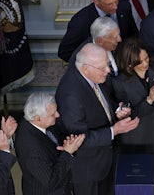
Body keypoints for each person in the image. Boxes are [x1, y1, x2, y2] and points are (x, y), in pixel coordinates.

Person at [55, 43, 139, 195]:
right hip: (87, 170)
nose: (108, 70)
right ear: (86, 68)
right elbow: (79, 139)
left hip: (103, 161)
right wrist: (114, 130)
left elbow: (102, 102)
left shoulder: (94, 75)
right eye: (103, 67)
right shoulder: (70, 96)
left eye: (107, 64)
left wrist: (117, 110)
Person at [112, 38, 154, 195]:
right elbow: (127, 114)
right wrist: (148, 101)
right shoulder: (119, 82)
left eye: (146, 58)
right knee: (138, 182)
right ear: (129, 63)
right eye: (140, 62)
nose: (145, 64)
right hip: (136, 140)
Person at [15, 93, 86, 195]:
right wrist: (67, 152)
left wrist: (67, 143)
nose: (57, 115)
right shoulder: (32, 148)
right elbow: (51, 182)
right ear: (38, 118)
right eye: (53, 114)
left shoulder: (32, 122)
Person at [58, 0, 137, 62]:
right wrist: (93, 62)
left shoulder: (124, 7)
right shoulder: (81, 21)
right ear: (96, 1)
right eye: (109, 4)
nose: (115, 7)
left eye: (116, 1)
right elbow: (64, 52)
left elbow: (133, 35)